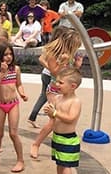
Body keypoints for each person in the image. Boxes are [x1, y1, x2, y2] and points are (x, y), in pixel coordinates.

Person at [29, 29, 83, 159]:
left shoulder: (68, 54)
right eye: (74, 46)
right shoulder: (54, 54)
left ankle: (58, 143)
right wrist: (62, 61)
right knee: (53, 121)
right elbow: (55, 73)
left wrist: (76, 66)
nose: (75, 50)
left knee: (59, 120)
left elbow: (68, 74)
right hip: (54, 90)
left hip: (64, 91)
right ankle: (36, 144)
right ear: (68, 43)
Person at [42, 67, 82, 174]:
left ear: (73, 86)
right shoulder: (59, 98)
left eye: (60, 83)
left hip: (68, 139)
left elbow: (71, 118)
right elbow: (54, 116)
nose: (57, 85)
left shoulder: (75, 102)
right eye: (57, 82)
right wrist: (50, 111)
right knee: (59, 162)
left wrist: (55, 113)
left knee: (66, 165)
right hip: (57, 137)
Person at [0, 43, 28, 172]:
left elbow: (19, 84)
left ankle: (20, 160)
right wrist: (1, 73)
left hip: (13, 104)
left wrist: (22, 93)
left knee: (13, 133)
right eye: (5, 54)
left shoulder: (16, 69)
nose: (8, 57)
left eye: (10, 54)